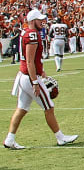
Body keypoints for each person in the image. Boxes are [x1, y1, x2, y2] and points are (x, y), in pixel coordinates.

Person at [5, 9, 78, 149]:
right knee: (49, 106)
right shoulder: (32, 35)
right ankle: (60, 137)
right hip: (29, 77)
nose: (42, 22)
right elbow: (29, 61)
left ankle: (10, 139)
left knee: (22, 109)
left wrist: (41, 71)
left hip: (25, 75)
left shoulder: (26, 32)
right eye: (39, 20)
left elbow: (32, 60)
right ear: (32, 21)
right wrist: (35, 82)